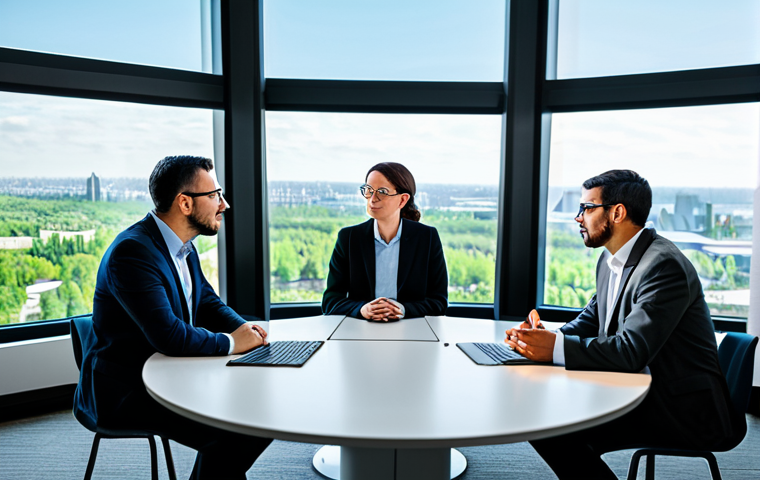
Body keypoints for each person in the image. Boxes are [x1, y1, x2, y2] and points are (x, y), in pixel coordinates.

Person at [505, 170, 746, 480]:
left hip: (681, 408)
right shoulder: (610, 260)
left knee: (550, 424)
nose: (579, 218)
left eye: (586, 208)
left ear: (617, 212)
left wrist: (554, 348)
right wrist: (547, 337)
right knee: (548, 418)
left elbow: (631, 351)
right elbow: (592, 318)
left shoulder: (663, 266)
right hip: (640, 388)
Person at [74, 156, 273, 480]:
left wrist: (242, 328)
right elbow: (168, 335)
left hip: (170, 371)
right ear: (184, 203)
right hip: (128, 389)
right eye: (214, 195)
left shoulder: (181, 245)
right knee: (237, 430)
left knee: (255, 417)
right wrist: (232, 342)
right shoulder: (133, 253)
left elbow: (206, 301)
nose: (224, 204)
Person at [322, 162, 448, 321]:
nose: (372, 199)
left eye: (382, 192)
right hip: (359, 332)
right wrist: (362, 309)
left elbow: (439, 303)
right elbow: (330, 302)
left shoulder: (427, 238)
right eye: (369, 191)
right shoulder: (349, 238)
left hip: (414, 332)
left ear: (402, 200)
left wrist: (402, 309)